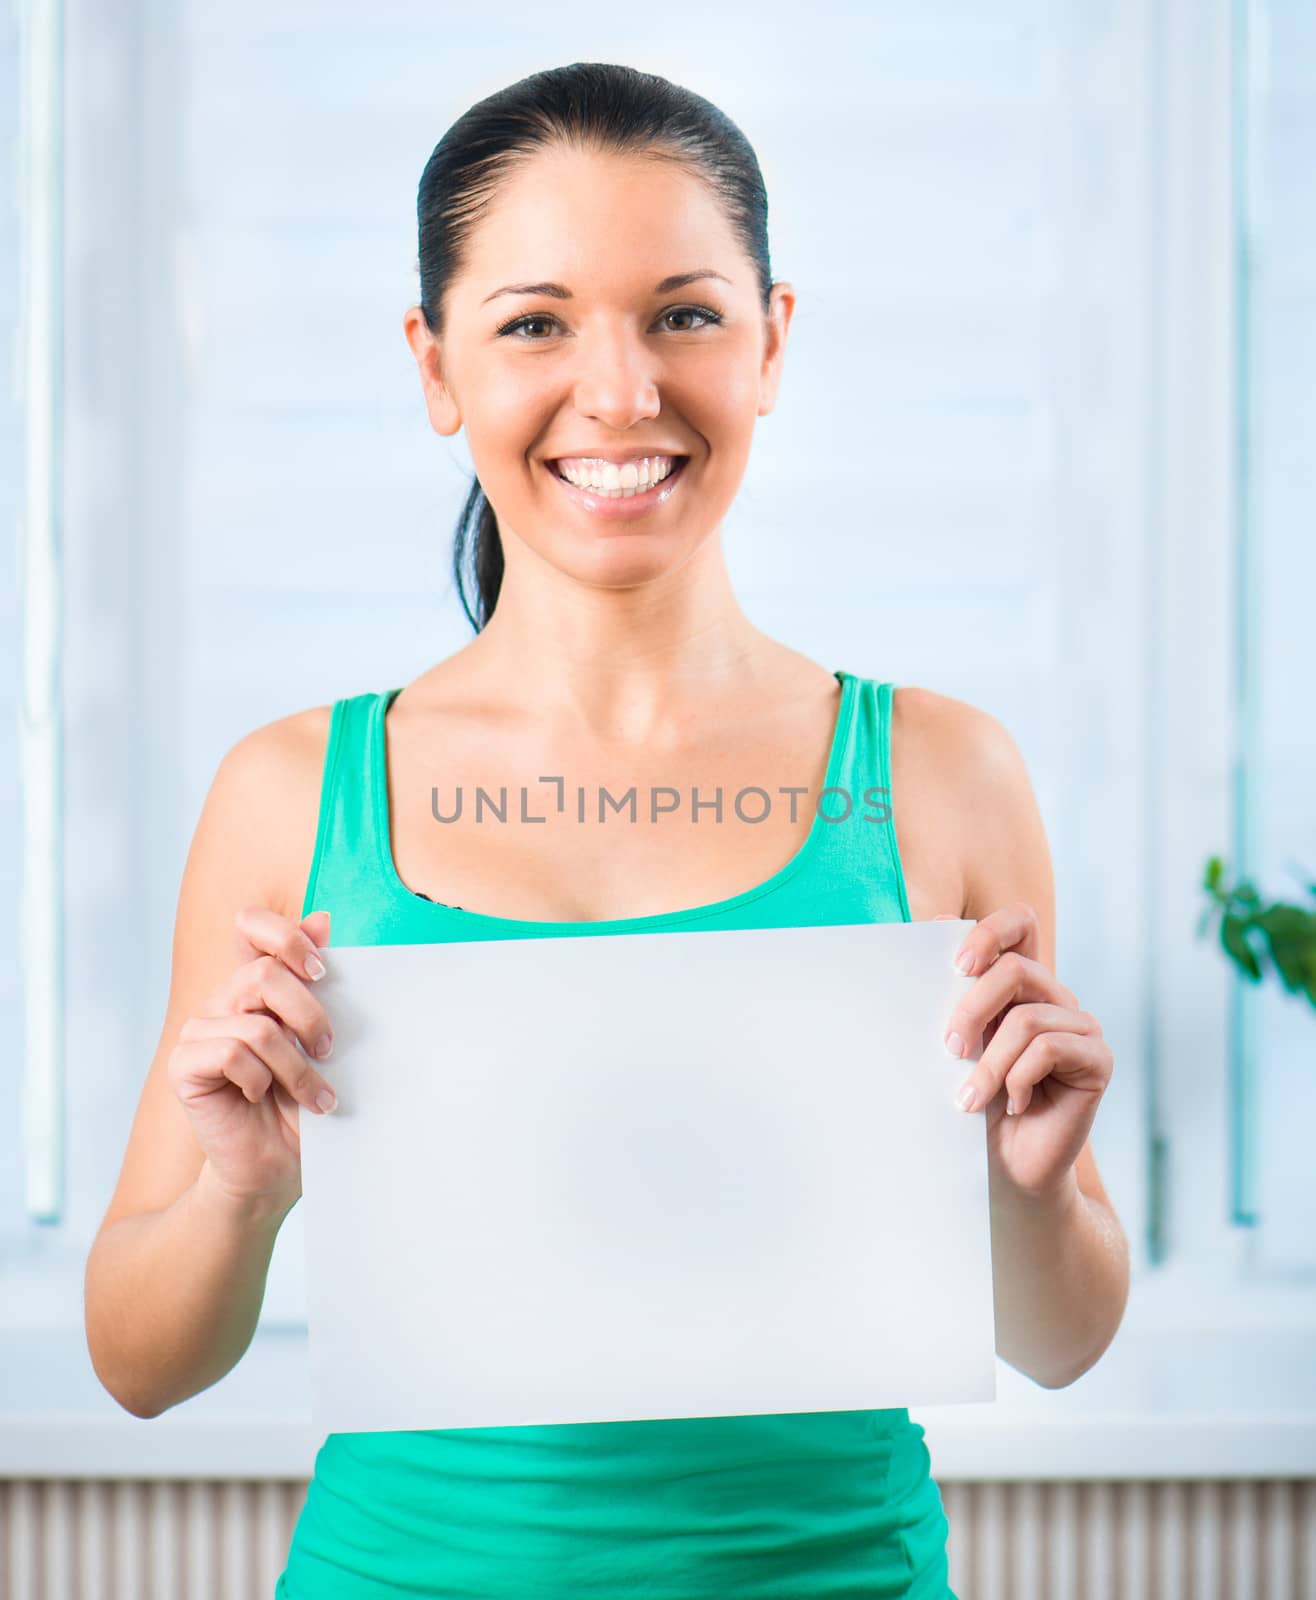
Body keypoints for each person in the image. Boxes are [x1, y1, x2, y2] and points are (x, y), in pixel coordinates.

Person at [83, 60, 1130, 1600]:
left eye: (685, 313)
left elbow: (1062, 1341)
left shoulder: (942, 773)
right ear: (435, 366)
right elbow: (137, 1363)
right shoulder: (292, 791)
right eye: (535, 322)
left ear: (773, 341)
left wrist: (1025, 1189)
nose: (623, 391)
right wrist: (245, 1192)